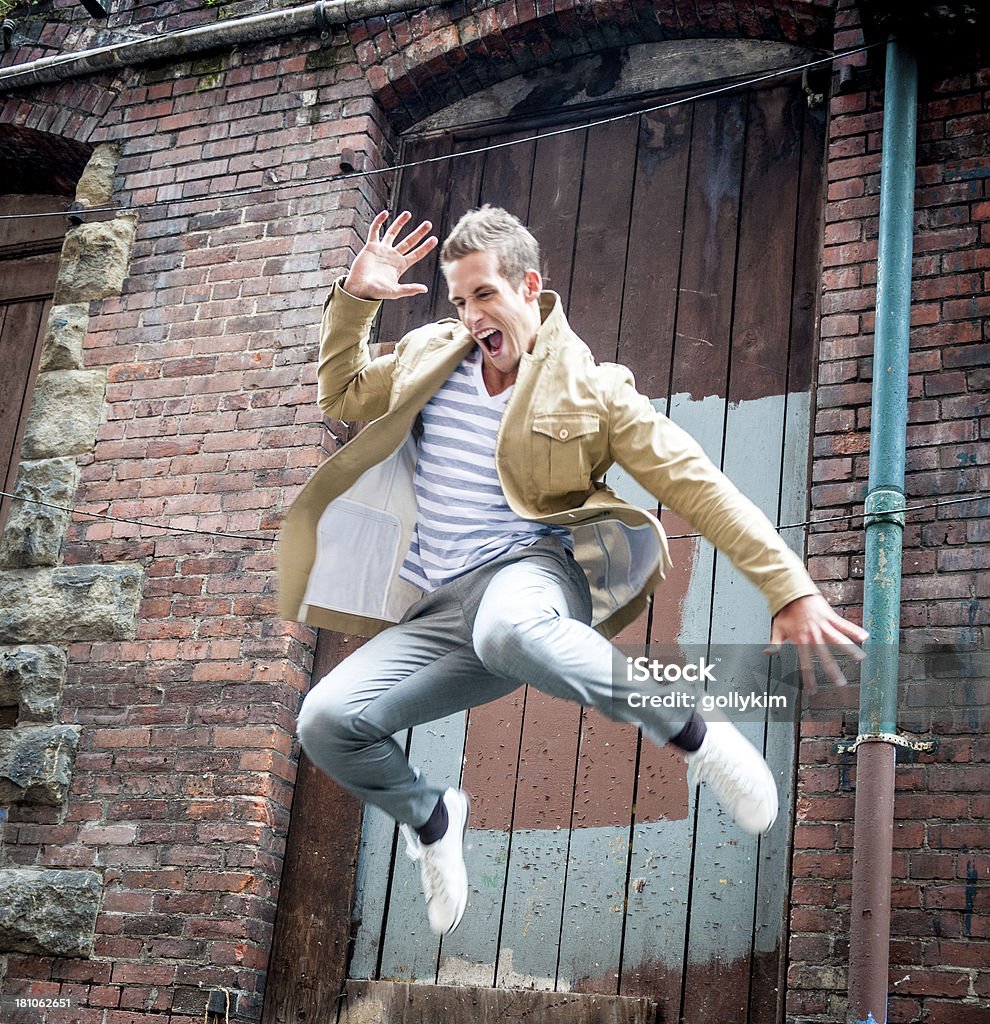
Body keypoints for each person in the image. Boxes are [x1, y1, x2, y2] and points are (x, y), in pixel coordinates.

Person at [280, 206, 868, 936]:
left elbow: (698, 485)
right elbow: (338, 396)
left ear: (529, 287)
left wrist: (790, 589)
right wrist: (357, 299)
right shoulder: (430, 354)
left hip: (531, 579)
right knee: (327, 722)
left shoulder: (592, 390)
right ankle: (431, 817)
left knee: (506, 629)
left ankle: (695, 734)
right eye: (459, 301)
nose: (470, 318)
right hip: (436, 612)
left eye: (484, 296)